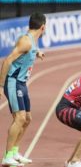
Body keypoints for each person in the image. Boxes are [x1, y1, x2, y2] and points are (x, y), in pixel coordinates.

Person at [0, 12, 46, 166]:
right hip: (12, 82)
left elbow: (28, 52)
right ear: (43, 27)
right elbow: (7, 61)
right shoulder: (26, 41)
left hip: (22, 83)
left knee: (27, 119)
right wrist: (0, 85)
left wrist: (37, 52)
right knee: (19, 118)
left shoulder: (33, 40)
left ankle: (14, 152)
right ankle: (7, 156)